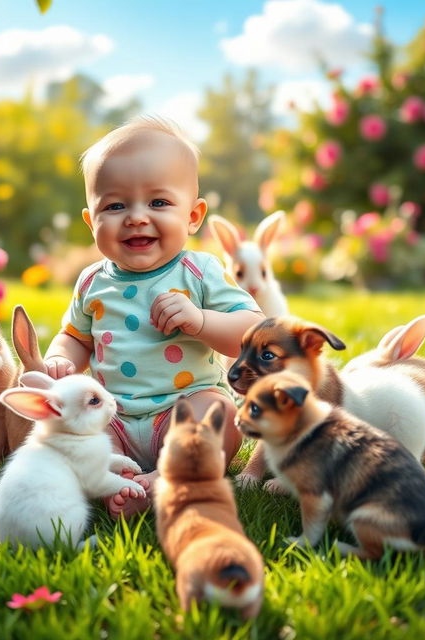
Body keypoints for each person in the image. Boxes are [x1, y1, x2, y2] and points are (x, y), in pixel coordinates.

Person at [43, 116, 264, 517]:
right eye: (115, 205)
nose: (136, 217)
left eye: (158, 202)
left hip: (184, 403)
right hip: (113, 414)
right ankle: (118, 484)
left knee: (218, 416)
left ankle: (171, 476)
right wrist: (61, 359)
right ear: (92, 221)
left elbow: (251, 332)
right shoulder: (92, 281)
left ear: (193, 216)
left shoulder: (199, 271)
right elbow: (75, 337)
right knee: (77, 437)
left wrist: (199, 320)